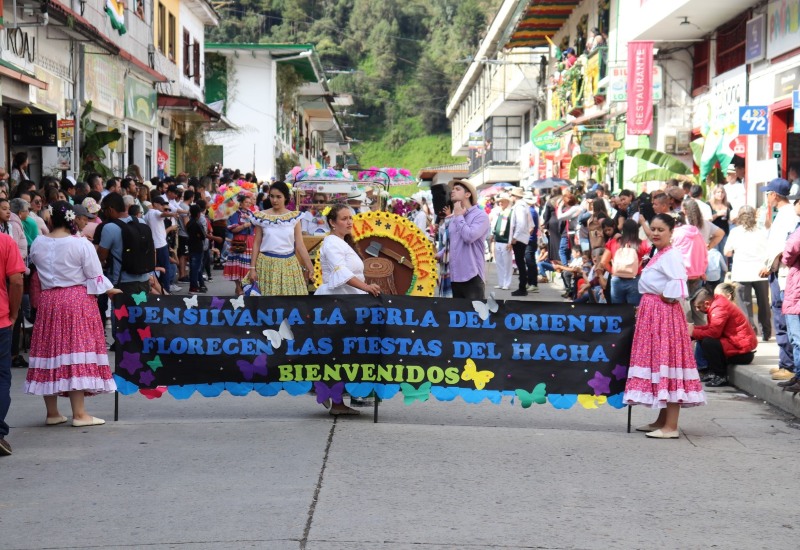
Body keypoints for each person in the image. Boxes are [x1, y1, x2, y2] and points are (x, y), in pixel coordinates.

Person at [24, 202, 120, 428]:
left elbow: (35, 268)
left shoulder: (39, 242)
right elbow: (95, 275)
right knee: (75, 352)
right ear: (71, 219)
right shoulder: (81, 245)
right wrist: (110, 290)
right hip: (76, 300)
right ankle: (79, 413)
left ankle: (53, 412)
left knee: (51, 353)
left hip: (48, 301)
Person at [624, 213, 706, 438]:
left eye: (661, 230)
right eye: (653, 229)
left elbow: (679, 284)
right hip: (655, 313)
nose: (656, 233)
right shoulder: (660, 254)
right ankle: (662, 420)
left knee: (667, 363)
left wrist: (666, 297)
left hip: (664, 316)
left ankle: (671, 426)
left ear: (671, 233)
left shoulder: (670, 255)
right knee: (659, 364)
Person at [759, 179, 800, 381]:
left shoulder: (788, 215)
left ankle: (790, 364)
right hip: (777, 271)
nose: (767, 197)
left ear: (774, 195)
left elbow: (787, 246)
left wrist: (772, 264)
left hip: (784, 273)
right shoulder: (782, 214)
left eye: (768, 193)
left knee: (786, 321)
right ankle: (786, 362)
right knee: (780, 318)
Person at [249, 181, 313, 296]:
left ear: (286, 198)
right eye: (272, 196)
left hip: (289, 264)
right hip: (266, 264)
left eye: (278, 197)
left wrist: (310, 267)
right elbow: (256, 243)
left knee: (290, 304)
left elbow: (300, 244)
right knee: (267, 304)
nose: (274, 200)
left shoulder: (294, 217)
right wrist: (252, 268)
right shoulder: (261, 216)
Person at [690, 286, 757, 387]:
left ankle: (720, 376)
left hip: (741, 351)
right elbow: (711, 328)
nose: (697, 310)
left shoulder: (719, 307)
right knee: (702, 337)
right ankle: (710, 371)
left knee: (708, 342)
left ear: (706, 303)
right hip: (734, 344)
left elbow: (713, 333)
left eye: (698, 307)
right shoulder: (716, 303)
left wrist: (692, 333)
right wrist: (694, 330)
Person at [723, 205, 771, 340]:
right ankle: (766, 332)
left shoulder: (735, 232)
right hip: (760, 272)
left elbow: (727, 251)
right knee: (764, 303)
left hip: (741, 272)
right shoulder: (762, 231)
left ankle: (751, 331)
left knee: (745, 304)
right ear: (754, 216)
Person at [0, 229, 25, 456]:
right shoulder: (5, 241)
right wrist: (14, 313)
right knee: (0, 377)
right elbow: (17, 281)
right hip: (0, 320)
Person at [445, 179, 490, 300]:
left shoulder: (480, 216)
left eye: (457, 189)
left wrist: (459, 216)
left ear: (467, 194)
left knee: (475, 317)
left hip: (472, 276)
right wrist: (436, 254)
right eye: (452, 189)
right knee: (458, 316)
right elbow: (453, 244)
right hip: (455, 276)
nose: (453, 191)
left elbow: (469, 237)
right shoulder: (454, 217)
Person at [600, 219, 651, 305]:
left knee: (618, 311)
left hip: (617, 280)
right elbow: (648, 261)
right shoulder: (643, 244)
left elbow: (603, 262)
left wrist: (613, 271)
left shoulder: (613, 243)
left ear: (623, 230)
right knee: (634, 310)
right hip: (635, 279)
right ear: (636, 230)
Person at [223, 194, 256, 296]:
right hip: (240, 240)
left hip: (250, 240)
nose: (248, 204)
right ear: (240, 204)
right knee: (238, 264)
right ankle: (238, 287)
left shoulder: (251, 214)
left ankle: (245, 286)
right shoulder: (235, 215)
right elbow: (233, 230)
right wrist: (245, 225)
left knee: (248, 265)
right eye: (246, 202)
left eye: (249, 203)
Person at [509, 187, 534, 296]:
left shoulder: (519, 206)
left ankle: (522, 287)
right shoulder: (524, 206)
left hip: (519, 238)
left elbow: (520, 223)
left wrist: (515, 237)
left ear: (514, 196)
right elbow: (530, 224)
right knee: (521, 263)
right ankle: (523, 286)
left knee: (520, 263)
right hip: (523, 237)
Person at [490, 193, 513, 291]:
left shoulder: (510, 213)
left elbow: (512, 228)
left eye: (502, 201)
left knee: (507, 264)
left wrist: (510, 241)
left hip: (505, 241)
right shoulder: (499, 213)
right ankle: (501, 282)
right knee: (499, 263)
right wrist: (493, 234)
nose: (500, 203)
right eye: (499, 201)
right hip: (498, 240)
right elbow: (495, 226)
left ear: (507, 202)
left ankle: (506, 283)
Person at [186, 204, 208, 294]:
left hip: (191, 247)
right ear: (198, 214)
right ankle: (193, 287)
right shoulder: (197, 223)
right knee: (196, 268)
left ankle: (199, 285)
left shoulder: (189, 223)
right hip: (197, 248)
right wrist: (199, 235)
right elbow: (203, 236)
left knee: (195, 267)